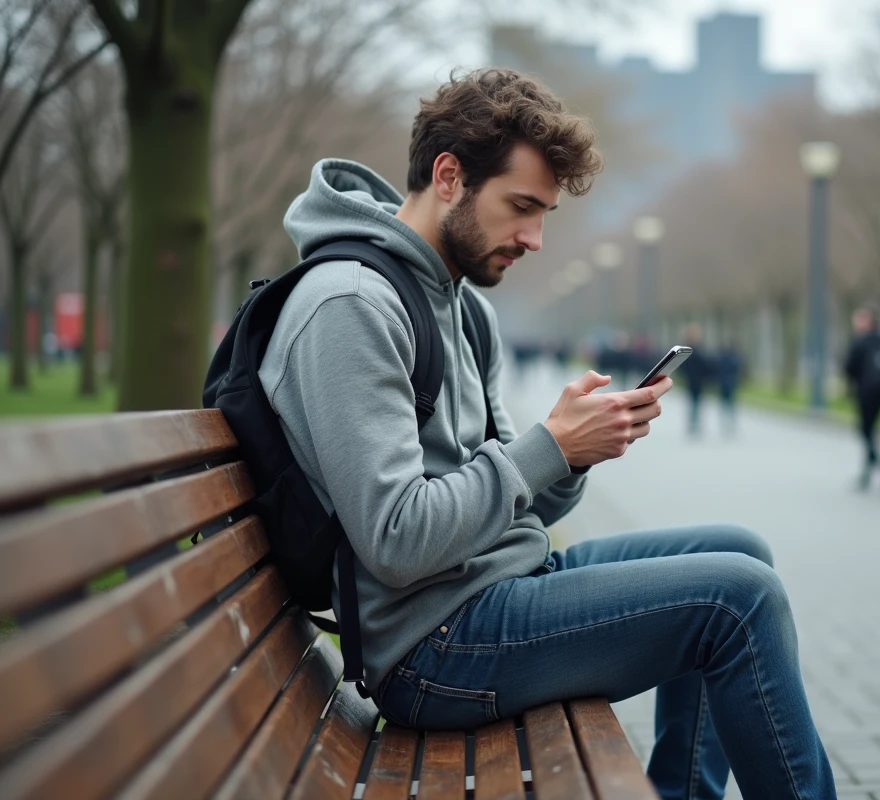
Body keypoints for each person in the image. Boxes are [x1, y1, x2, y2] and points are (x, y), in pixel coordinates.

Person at [259, 70, 835, 799]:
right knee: (739, 599)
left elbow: (519, 502)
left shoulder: (463, 308)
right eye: (521, 207)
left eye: (545, 214)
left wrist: (576, 451)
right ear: (448, 176)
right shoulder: (350, 305)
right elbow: (398, 540)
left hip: (500, 586)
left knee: (739, 551)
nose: (533, 238)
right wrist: (548, 448)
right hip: (433, 644)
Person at [844, 307, 880, 492]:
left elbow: (850, 367)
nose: (856, 324)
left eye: (859, 320)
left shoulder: (861, 342)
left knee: (865, 431)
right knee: (870, 430)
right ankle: (867, 473)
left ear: (867, 321)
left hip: (865, 391)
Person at [679, 324, 715, 436]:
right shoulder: (692, 350)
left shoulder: (692, 350)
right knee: (694, 402)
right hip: (693, 381)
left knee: (695, 403)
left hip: (697, 381)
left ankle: (694, 423)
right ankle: (694, 423)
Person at [717, 340, 744, 435]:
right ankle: (730, 422)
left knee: (725, 403)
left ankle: (726, 421)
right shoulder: (734, 359)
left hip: (723, 384)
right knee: (730, 403)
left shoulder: (721, 359)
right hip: (730, 384)